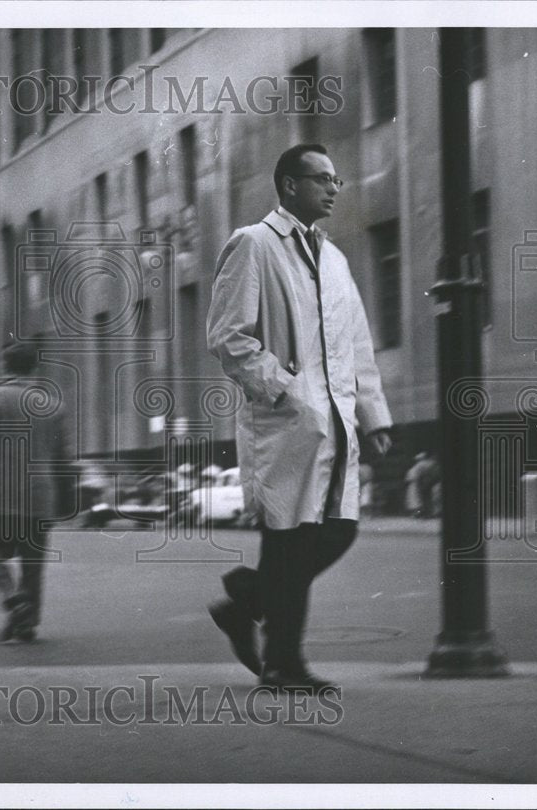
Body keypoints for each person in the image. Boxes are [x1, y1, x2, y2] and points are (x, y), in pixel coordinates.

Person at [205, 143, 393, 691]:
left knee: (338, 530)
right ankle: (284, 663)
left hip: (335, 426)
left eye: (336, 180)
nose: (335, 188)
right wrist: (288, 393)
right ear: (289, 185)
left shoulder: (333, 260)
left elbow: (357, 344)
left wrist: (373, 415)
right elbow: (228, 336)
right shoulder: (254, 245)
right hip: (286, 425)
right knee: (291, 541)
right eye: (322, 179)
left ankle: (247, 602)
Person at [0, 340, 69, 643]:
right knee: (33, 563)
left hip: (3, 494)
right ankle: (26, 623)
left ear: (6, 366)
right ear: (35, 367)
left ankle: (13, 599)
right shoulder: (53, 405)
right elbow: (61, 457)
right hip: (41, 494)